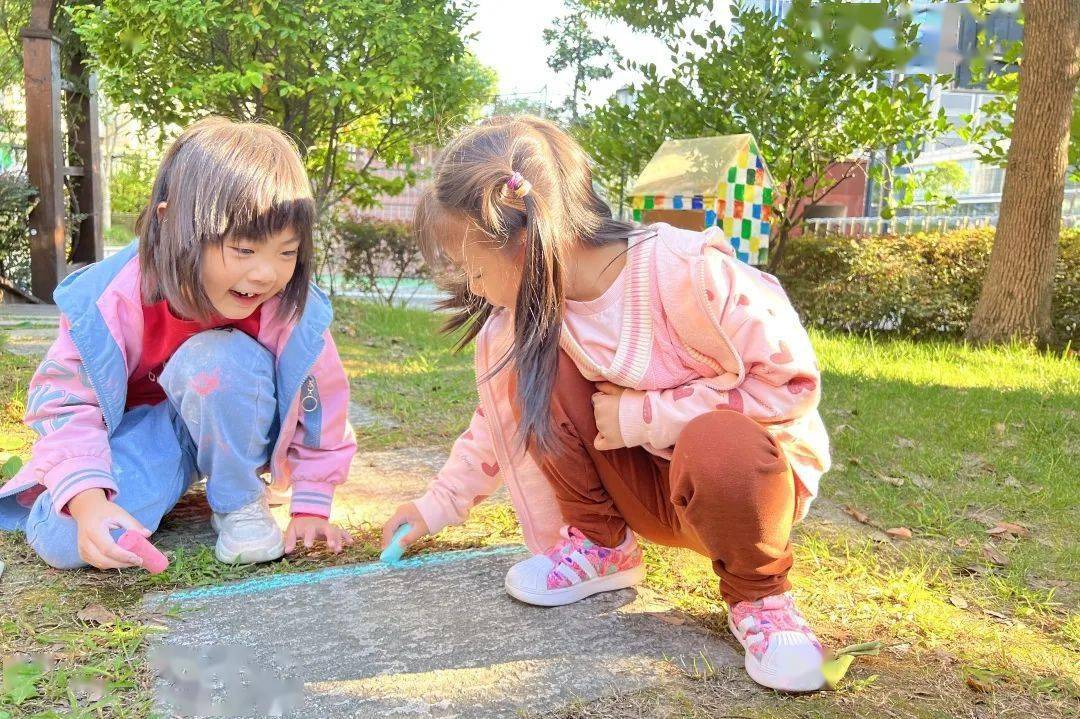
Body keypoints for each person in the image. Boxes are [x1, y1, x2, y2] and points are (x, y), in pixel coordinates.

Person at [381, 115, 832, 692]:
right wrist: (434, 506)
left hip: (742, 494)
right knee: (532, 377)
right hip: (643, 488)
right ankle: (602, 548)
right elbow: (496, 424)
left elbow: (788, 384)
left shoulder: (689, 272)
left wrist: (642, 415)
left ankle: (762, 599)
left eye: (473, 270)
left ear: (523, 242)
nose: (471, 290)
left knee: (719, 442)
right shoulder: (529, 318)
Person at [0, 117, 356, 569]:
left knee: (214, 362)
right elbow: (67, 401)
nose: (267, 273)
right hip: (159, 432)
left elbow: (320, 404)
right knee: (67, 540)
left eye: (286, 252)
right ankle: (155, 483)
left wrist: (311, 505)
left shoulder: (287, 309)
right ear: (172, 226)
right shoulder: (112, 301)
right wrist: (87, 499)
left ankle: (239, 499)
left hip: (240, 419)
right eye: (244, 250)